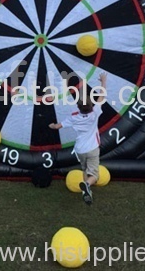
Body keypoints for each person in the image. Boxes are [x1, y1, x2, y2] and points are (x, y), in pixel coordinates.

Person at [49, 72, 107, 205]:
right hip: (92, 148)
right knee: (95, 175)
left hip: (80, 149)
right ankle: (87, 185)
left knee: (85, 170)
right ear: (91, 106)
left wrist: (51, 125)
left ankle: (86, 192)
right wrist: (103, 82)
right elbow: (102, 96)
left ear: (78, 107)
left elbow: (58, 126)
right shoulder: (95, 112)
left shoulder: (74, 117)